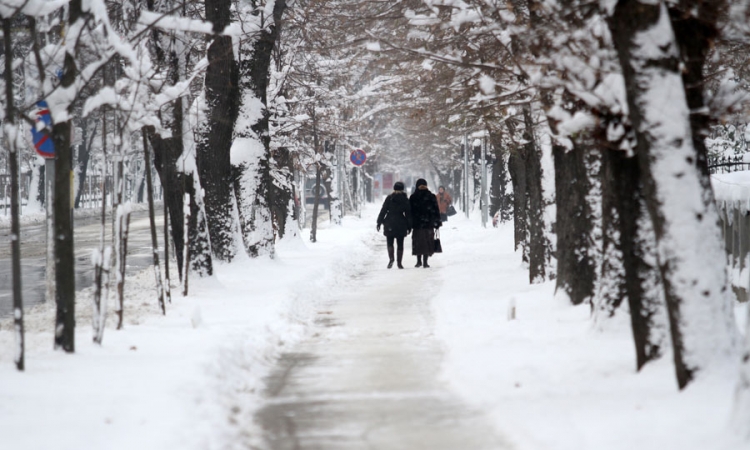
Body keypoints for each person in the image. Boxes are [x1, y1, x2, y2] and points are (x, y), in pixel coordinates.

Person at [377, 181, 412, 269]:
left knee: (390, 242)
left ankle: (391, 259)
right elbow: (408, 214)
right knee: (400, 244)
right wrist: (409, 226)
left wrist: (379, 222)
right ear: (402, 189)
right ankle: (399, 263)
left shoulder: (389, 198)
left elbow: (383, 210)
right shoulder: (405, 199)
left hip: (390, 222)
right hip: (401, 222)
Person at [409, 178, 441, 268]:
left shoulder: (413, 197)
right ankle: (425, 262)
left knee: (418, 242)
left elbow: (410, 211)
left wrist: (409, 222)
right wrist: (437, 222)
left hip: (417, 224)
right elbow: (436, 210)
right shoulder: (431, 196)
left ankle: (418, 261)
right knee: (427, 242)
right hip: (428, 224)